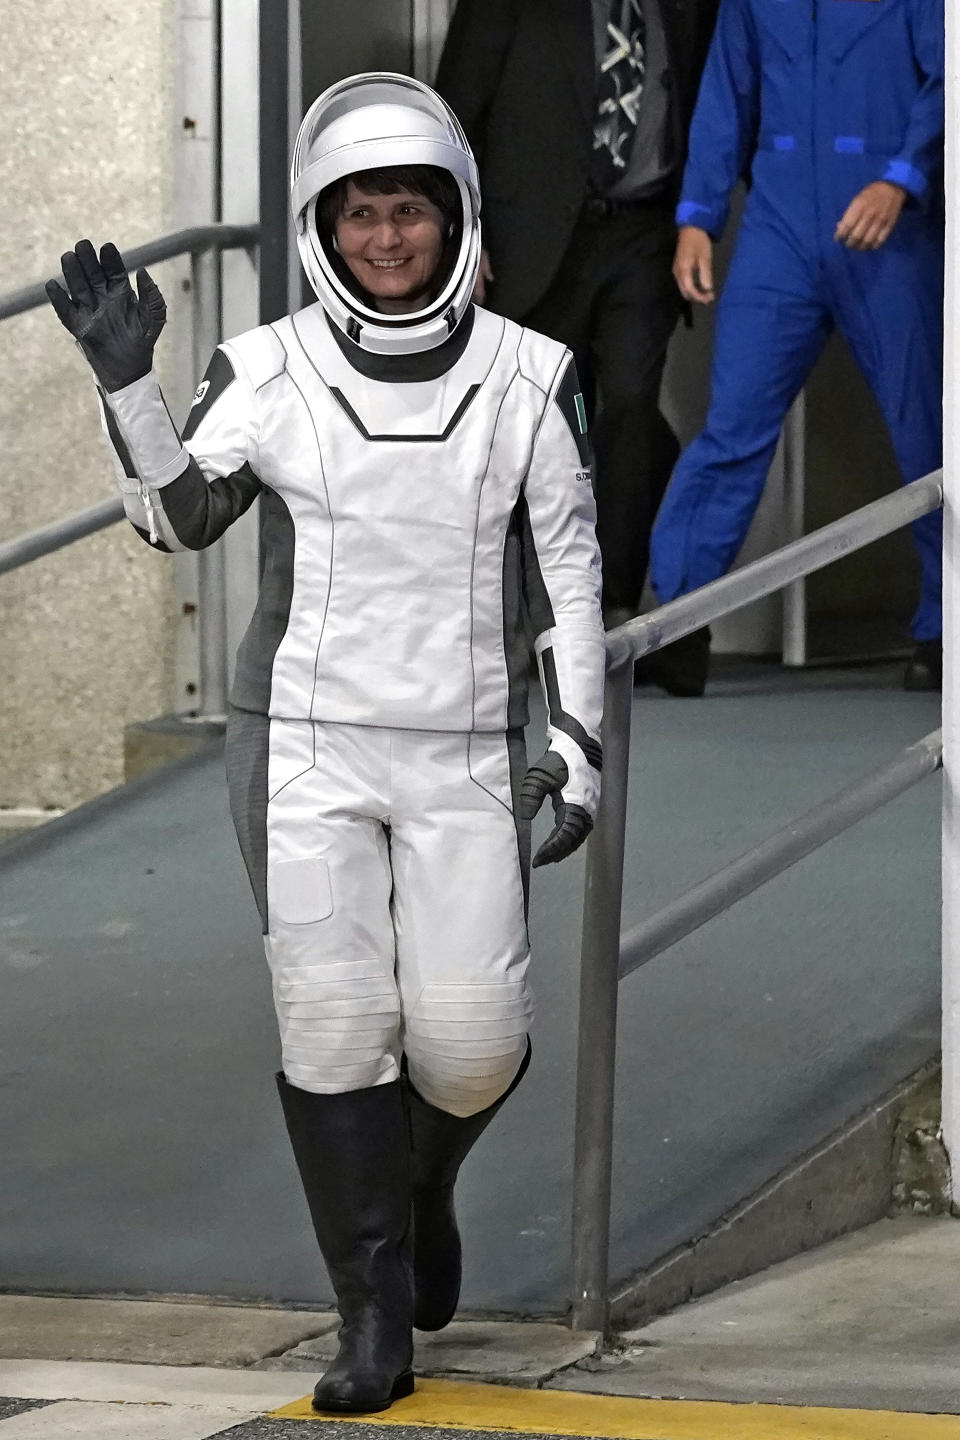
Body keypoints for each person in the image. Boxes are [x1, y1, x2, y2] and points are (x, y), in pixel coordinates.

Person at [46, 74, 605, 1415]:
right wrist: (133, 391)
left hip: (469, 740)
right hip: (307, 744)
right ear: (322, 227)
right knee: (336, 1024)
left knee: (471, 1042)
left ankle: (409, 1196)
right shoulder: (271, 365)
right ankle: (372, 1313)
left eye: (411, 211)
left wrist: (576, 739)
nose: (388, 239)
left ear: (456, 216)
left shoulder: (531, 377)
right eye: (362, 216)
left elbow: (575, 574)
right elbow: (177, 524)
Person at [650, 0, 945, 691]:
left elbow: (950, 79)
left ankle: (945, 626)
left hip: (891, 230)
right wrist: (698, 214)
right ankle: (680, 622)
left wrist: (904, 176)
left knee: (926, 433)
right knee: (733, 427)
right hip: (778, 226)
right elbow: (726, 93)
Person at [435, 0, 719, 695]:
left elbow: (712, 98)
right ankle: (521, 619)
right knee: (540, 426)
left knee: (627, 406)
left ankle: (609, 607)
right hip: (534, 241)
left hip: (644, 233)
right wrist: (462, 233)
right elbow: (454, 113)